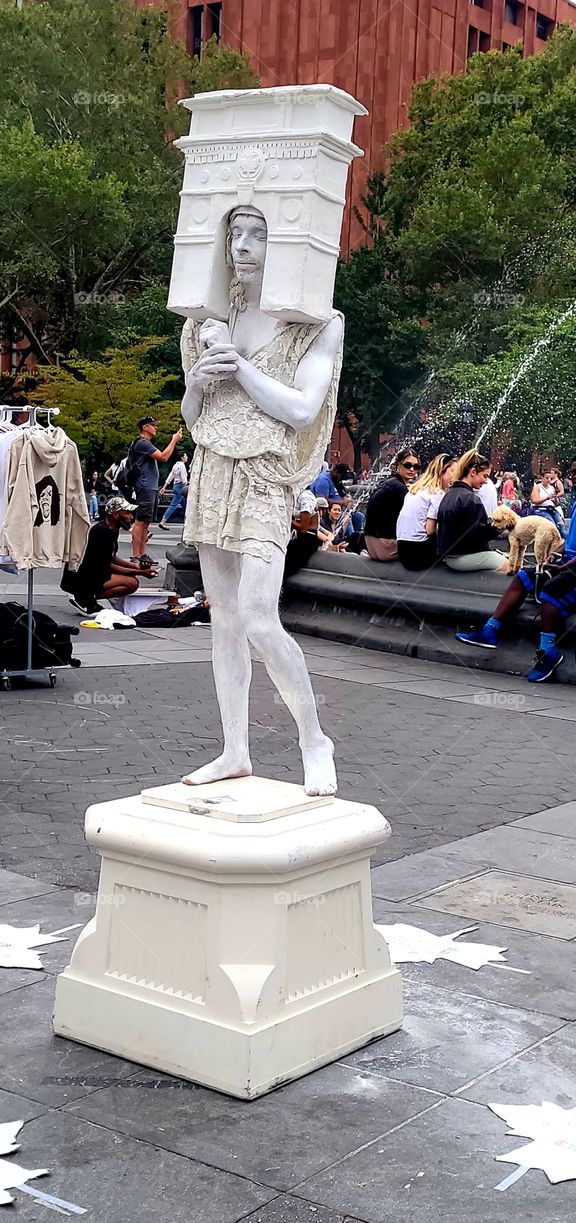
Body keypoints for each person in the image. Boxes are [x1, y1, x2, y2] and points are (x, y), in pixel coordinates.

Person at [179, 205, 343, 795]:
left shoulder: (318, 324)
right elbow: (194, 416)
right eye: (236, 233)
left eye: (260, 234)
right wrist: (198, 382)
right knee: (222, 617)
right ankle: (234, 749)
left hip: (266, 478)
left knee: (256, 614)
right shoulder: (207, 321)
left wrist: (239, 365)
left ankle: (313, 738)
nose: (243, 246)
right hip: (212, 470)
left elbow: (301, 410)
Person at [455, 503, 576, 681]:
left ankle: (548, 651)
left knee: (551, 591)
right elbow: (570, 542)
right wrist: (555, 555)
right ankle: (490, 630)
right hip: (566, 563)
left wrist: (564, 567)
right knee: (523, 578)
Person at [64, 496, 158, 616]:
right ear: (116, 515)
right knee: (131, 583)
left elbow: (111, 557)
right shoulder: (102, 532)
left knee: (130, 580)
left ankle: (87, 595)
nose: (131, 517)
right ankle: (84, 597)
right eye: (127, 513)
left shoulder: (112, 528)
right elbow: (108, 565)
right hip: (84, 577)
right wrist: (139, 572)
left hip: (94, 572)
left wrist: (136, 567)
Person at [436, 448, 509, 571]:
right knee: (510, 566)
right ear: (473, 472)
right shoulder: (471, 499)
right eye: (485, 476)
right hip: (463, 557)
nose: (486, 482)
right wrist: (499, 526)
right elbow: (478, 536)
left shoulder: (449, 494)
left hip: (449, 556)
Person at [129, 417, 183, 562]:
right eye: (153, 426)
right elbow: (163, 457)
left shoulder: (144, 444)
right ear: (145, 427)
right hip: (145, 485)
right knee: (140, 521)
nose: (156, 428)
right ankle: (136, 555)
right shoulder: (142, 443)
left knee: (146, 521)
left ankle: (141, 553)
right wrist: (173, 440)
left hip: (149, 486)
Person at [396, 454, 456, 570]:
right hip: (419, 554)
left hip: (402, 550)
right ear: (441, 471)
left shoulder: (416, 489)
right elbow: (430, 530)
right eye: (453, 471)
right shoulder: (438, 493)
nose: (456, 476)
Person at [364, 448, 421, 561]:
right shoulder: (399, 488)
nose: (412, 469)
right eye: (407, 465)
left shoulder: (388, 482)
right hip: (385, 546)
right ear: (397, 466)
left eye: (416, 467)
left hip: (370, 544)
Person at [530, 469, 567, 536]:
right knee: (552, 526)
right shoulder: (537, 487)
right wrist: (547, 498)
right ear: (542, 478)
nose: (549, 480)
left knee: (562, 527)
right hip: (541, 510)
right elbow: (534, 501)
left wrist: (555, 500)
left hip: (552, 509)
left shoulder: (552, 488)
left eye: (550, 478)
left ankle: (566, 544)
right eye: (547, 478)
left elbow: (555, 501)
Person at [158, 451, 190, 529]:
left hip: (176, 486)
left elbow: (170, 476)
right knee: (173, 505)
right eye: (185, 456)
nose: (187, 457)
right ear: (182, 457)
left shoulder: (175, 465)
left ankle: (188, 521)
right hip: (181, 487)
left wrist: (164, 487)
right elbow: (183, 479)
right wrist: (188, 484)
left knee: (185, 505)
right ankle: (162, 522)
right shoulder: (182, 465)